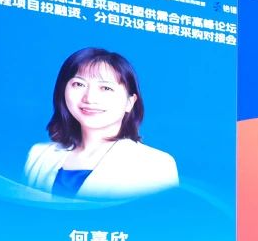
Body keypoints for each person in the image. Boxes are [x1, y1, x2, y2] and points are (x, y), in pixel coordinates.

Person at [24, 47, 178, 199]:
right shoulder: (38, 155)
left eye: (105, 88)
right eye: (79, 84)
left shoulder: (156, 164)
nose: (89, 98)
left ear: (129, 102)